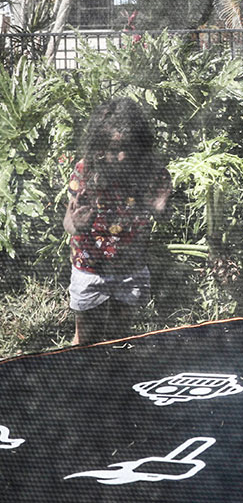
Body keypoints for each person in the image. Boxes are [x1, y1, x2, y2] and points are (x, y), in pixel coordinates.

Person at [63, 97, 172, 346]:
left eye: (128, 148)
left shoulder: (153, 173)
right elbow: (68, 221)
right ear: (99, 146)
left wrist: (160, 209)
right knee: (86, 341)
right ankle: (83, 379)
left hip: (129, 269)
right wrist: (76, 225)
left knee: (120, 338)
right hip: (90, 268)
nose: (121, 157)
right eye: (113, 149)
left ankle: (113, 380)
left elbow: (163, 216)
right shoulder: (85, 171)